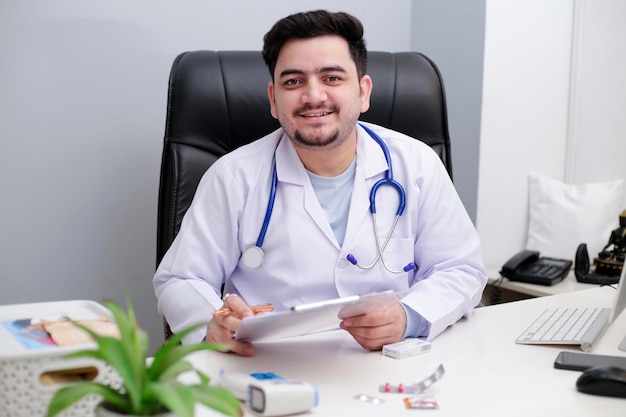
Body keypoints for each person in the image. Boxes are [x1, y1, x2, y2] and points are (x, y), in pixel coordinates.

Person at [153, 10, 487, 356]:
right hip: (273, 368)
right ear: (273, 98)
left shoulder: (415, 164)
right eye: (293, 81)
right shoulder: (234, 176)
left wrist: (410, 316)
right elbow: (180, 279)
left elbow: (460, 268)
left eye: (332, 78)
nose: (314, 96)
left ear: (363, 91)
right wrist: (214, 322)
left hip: (388, 364)